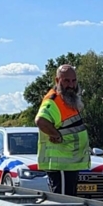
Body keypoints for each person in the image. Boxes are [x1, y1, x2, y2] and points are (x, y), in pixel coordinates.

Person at [35, 64, 90, 195]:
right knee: (64, 203)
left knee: (68, 202)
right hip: (61, 166)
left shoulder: (69, 101)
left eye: (74, 80)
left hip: (68, 165)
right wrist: (56, 135)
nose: (71, 85)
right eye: (66, 81)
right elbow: (40, 121)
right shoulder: (53, 101)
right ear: (57, 80)